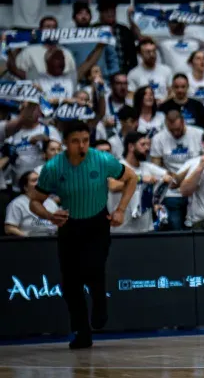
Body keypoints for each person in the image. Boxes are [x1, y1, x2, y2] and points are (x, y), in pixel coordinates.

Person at [24, 121, 137, 349]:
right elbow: (34, 202)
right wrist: (48, 215)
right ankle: (82, 332)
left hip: (97, 222)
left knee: (93, 268)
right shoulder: (54, 168)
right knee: (70, 283)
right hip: (69, 225)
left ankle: (99, 304)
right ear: (66, 143)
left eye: (85, 140)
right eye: (76, 141)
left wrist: (121, 210)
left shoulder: (103, 160)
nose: (82, 146)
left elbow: (132, 178)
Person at [109, 131, 170, 234]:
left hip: (146, 228)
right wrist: (139, 179)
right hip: (122, 229)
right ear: (131, 147)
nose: (147, 148)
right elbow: (112, 185)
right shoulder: (118, 166)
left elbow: (168, 176)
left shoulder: (147, 167)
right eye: (143, 144)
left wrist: (164, 181)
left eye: (148, 144)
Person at [5, 170, 60, 236]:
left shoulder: (51, 203)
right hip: (28, 243)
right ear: (25, 187)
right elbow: (9, 228)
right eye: (34, 180)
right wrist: (28, 239)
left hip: (52, 241)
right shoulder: (17, 204)